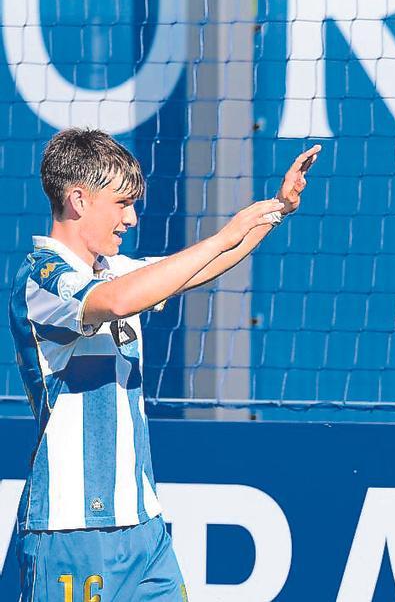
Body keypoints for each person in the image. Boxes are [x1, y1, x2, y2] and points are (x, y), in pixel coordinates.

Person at [9, 128, 316, 600]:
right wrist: (225, 234)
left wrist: (275, 210)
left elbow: (197, 267)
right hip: (72, 532)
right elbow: (115, 302)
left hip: (144, 528)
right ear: (78, 200)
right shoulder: (42, 277)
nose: (131, 218)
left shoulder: (111, 272)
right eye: (121, 203)